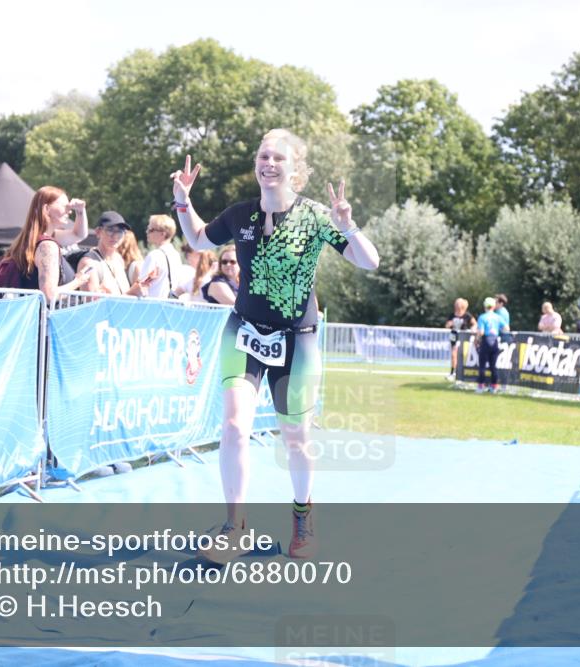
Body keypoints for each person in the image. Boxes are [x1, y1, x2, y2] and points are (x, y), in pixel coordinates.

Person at [170, 129, 379, 561]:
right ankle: (235, 525)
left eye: (278, 158)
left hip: (296, 342)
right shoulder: (241, 214)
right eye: (263, 156)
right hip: (243, 331)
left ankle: (303, 518)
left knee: (296, 438)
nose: (269, 163)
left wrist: (348, 227)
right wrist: (182, 200)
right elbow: (197, 239)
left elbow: (369, 262)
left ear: (295, 170)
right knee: (233, 426)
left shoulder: (318, 216)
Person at [2, 186, 92, 303]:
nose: (69, 211)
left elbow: (79, 235)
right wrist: (77, 281)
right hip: (43, 318)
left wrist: (80, 210)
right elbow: (49, 295)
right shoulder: (47, 246)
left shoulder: (33, 239)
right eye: (64, 206)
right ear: (47, 209)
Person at [77, 211, 141, 296]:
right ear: (98, 232)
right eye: (110, 230)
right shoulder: (89, 263)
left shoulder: (119, 260)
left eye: (120, 231)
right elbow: (91, 305)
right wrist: (131, 293)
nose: (115, 236)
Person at [138, 214, 182, 298]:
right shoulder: (176, 255)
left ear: (162, 234)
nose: (147, 232)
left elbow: (140, 286)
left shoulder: (154, 255)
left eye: (151, 229)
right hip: (171, 306)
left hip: (154, 306)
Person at [477, 297, 508, 393]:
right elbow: (506, 328)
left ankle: (481, 387)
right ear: (494, 306)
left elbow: (481, 332)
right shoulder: (497, 317)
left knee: (482, 366)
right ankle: (494, 387)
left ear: (485, 306)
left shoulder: (482, 317)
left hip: (485, 341)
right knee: (493, 366)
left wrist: (477, 339)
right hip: (494, 341)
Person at [445, 298, 476, 381]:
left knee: (461, 355)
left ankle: (461, 372)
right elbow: (447, 325)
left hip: (463, 337)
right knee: (453, 354)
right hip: (454, 336)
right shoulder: (452, 315)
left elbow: (474, 324)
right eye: (456, 304)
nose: (457, 306)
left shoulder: (467, 315)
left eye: (458, 304)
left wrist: (473, 329)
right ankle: (453, 372)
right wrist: (449, 324)